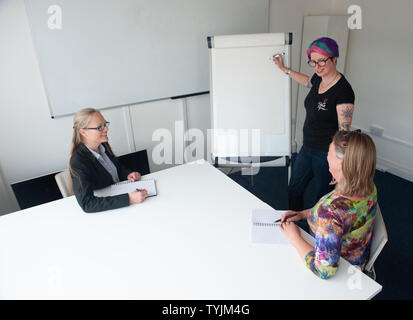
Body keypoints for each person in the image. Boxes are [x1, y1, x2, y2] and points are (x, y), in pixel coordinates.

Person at [279, 130, 377, 279]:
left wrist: (294, 238)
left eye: (329, 151)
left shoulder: (331, 212)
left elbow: (324, 271)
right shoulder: (368, 187)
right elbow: (340, 217)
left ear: (340, 163)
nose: (326, 155)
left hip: (342, 270)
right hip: (356, 255)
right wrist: (302, 214)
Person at [273, 37, 355, 211]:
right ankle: (295, 225)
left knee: (323, 198)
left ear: (334, 58)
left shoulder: (344, 91)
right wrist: (284, 69)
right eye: (313, 62)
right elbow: (306, 81)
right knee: (294, 188)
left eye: (322, 61)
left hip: (326, 153)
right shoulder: (318, 79)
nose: (317, 67)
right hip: (307, 147)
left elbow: (344, 131)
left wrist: (339, 163)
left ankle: (318, 235)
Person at [69, 108, 147, 213]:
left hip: (119, 199)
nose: (106, 129)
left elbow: (115, 168)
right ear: (84, 132)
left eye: (105, 124)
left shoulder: (102, 145)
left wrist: (128, 174)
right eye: (99, 127)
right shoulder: (78, 162)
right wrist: (129, 199)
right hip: (107, 211)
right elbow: (87, 204)